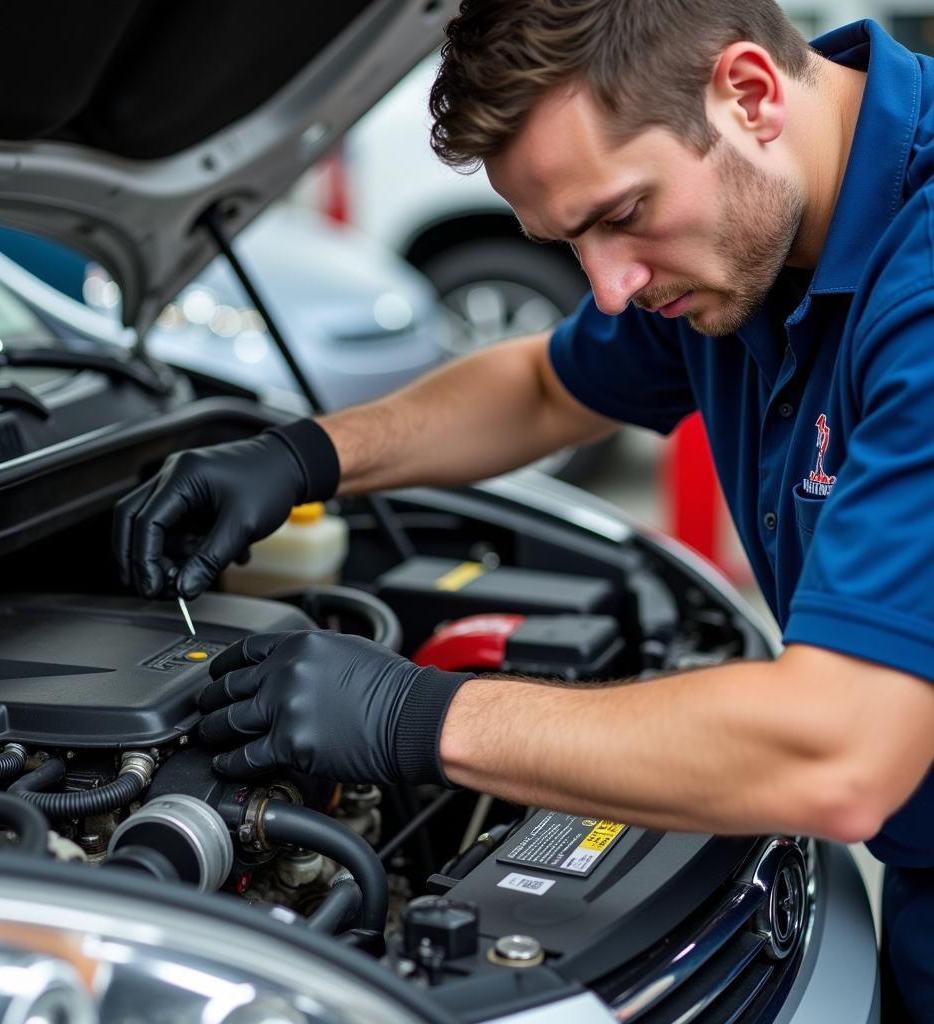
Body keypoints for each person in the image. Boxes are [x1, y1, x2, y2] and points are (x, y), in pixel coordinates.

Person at [113, 3, 934, 1018]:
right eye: (566, 238)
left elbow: (838, 752)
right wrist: (304, 455)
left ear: (751, 93)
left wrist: (410, 713)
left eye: (620, 214)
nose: (609, 286)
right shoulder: (746, 227)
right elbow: (545, 388)